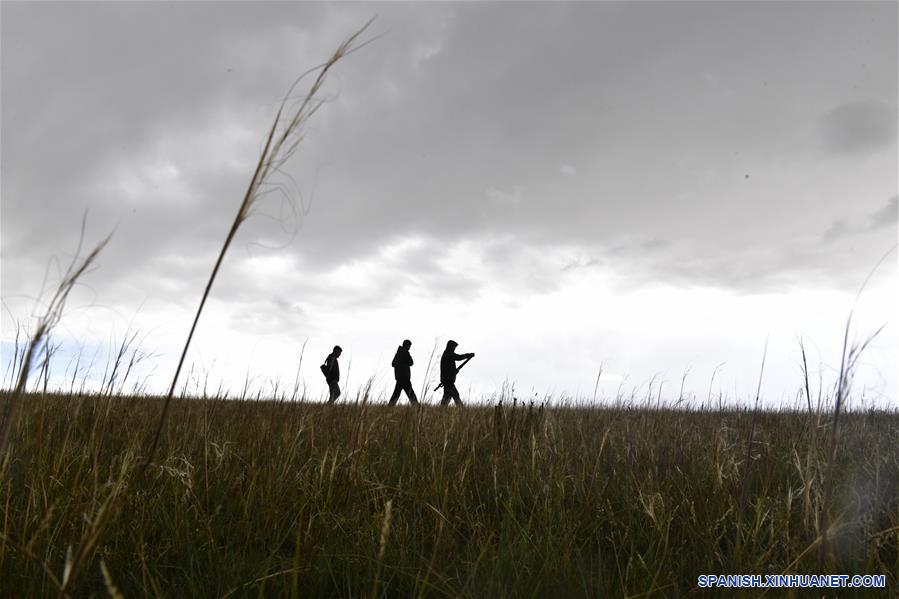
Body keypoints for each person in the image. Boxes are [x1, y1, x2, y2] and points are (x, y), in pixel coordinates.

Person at [439, 340, 474, 406]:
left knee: (447, 396)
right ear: (451, 347)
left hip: (447, 379)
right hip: (448, 380)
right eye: (454, 347)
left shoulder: (447, 354)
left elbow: (448, 368)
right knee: (455, 395)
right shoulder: (448, 353)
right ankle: (461, 409)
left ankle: (441, 410)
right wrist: (468, 355)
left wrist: (454, 371)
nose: (454, 349)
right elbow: (458, 357)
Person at [388, 339, 418, 405]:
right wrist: (403, 365)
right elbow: (411, 362)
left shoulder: (398, 353)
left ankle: (390, 406)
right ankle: (417, 406)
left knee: (396, 394)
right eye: (409, 346)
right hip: (405, 377)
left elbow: (393, 364)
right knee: (410, 393)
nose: (409, 348)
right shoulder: (405, 352)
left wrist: (399, 365)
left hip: (399, 376)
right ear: (407, 345)